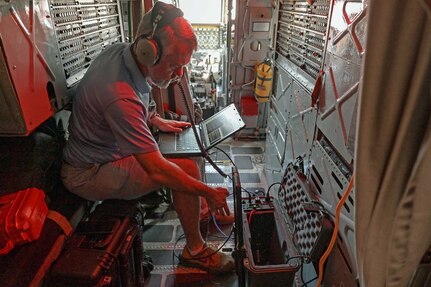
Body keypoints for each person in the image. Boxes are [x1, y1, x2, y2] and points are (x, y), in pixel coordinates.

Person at [61, 2, 235, 275]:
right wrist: (208, 191)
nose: (179, 75)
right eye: (175, 65)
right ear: (148, 52)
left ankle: (201, 213)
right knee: (185, 168)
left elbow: (140, 99)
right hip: (89, 172)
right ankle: (196, 251)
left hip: (108, 154)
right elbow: (155, 168)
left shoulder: (119, 52)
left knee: (186, 154)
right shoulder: (118, 95)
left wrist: (156, 120)